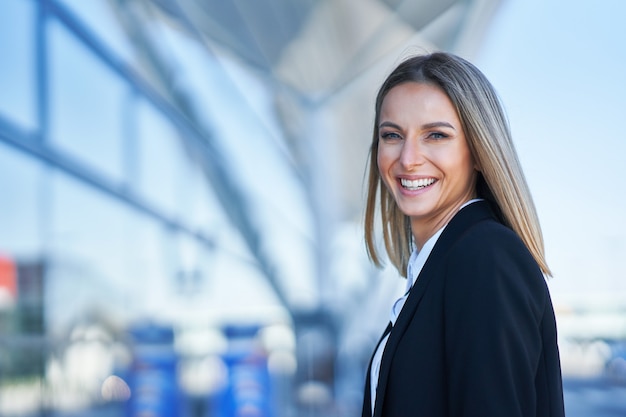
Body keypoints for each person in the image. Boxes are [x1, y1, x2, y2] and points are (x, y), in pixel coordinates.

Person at [361, 52, 565, 417]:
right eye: (392, 135)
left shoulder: (485, 257)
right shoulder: (442, 266)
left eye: (436, 135)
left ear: (479, 152)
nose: (408, 159)